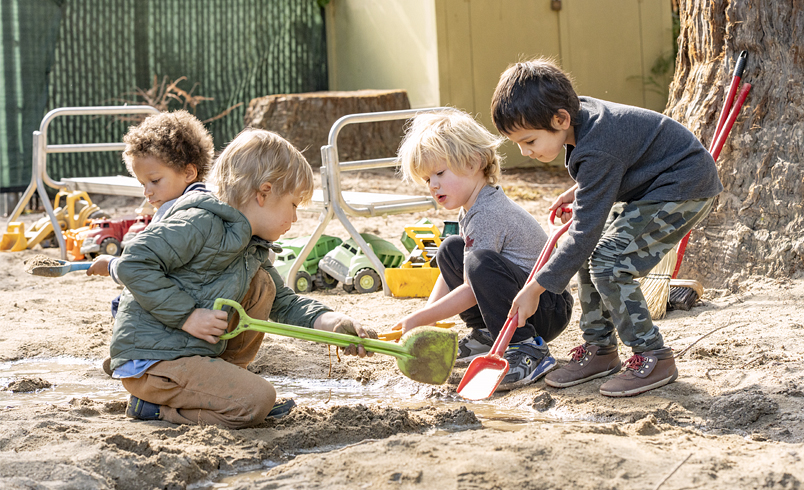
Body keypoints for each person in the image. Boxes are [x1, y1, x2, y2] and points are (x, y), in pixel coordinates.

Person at [107, 127, 375, 427]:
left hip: (189, 352)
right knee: (256, 401)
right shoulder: (200, 221)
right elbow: (133, 263)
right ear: (264, 192)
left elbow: (284, 303)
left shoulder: (251, 245)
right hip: (154, 361)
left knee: (262, 285)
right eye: (293, 205)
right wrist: (187, 316)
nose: (295, 218)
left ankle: (222, 381)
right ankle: (155, 408)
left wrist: (333, 323)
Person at [490, 58, 722, 397]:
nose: (526, 151)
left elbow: (584, 231)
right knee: (589, 254)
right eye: (519, 145)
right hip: (655, 183)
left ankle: (653, 355)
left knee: (609, 261)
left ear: (560, 119)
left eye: (530, 141)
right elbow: (617, 160)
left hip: (683, 187)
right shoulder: (580, 119)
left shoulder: (597, 145)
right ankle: (600, 349)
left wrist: (535, 289)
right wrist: (579, 189)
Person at [392, 108, 573, 391]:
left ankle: (527, 349)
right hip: (519, 301)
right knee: (450, 250)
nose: (433, 185)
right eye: (428, 179)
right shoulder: (472, 208)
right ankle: (488, 334)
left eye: (439, 172)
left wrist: (420, 319)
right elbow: (459, 271)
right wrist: (427, 319)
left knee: (477, 262)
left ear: (474, 162)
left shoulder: (488, 213)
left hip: (546, 306)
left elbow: (469, 284)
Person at [87, 110, 214, 315]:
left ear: (189, 172)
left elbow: (142, 266)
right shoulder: (211, 202)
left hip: (186, 302)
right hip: (210, 295)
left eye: (155, 181)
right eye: (142, 184)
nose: (147, 191)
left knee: (121, 304)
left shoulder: (174, 213)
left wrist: (111, 265)